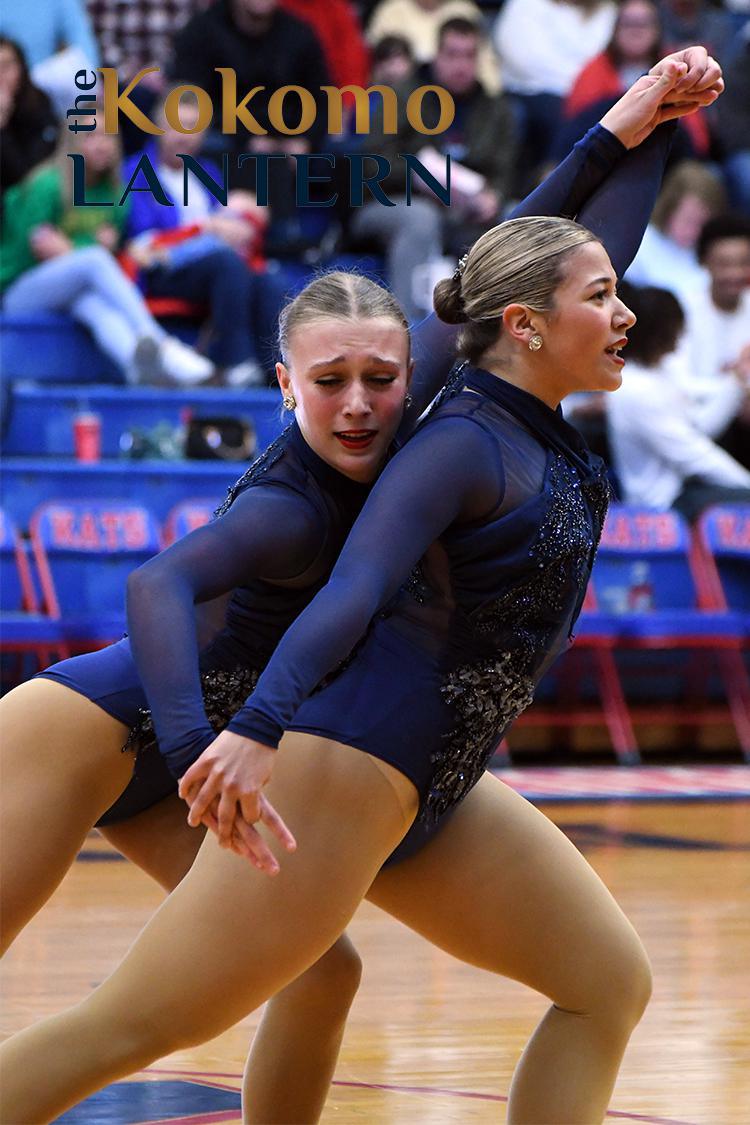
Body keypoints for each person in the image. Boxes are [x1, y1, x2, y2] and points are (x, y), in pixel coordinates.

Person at [0, 54, 724, 1125]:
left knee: (368, 975)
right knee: (139, 1022)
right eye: (329, 383)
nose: (360, 405)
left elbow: (526, 261)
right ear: (284, 383)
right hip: (111, 729)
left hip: (300, 740)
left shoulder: (437, 411)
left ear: (416, 364)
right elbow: (161, 585)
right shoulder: (304, 500)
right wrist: (222, 735)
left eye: (383, 379)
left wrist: (629, 127)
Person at [0, 126, 214, 387]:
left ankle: (139, 371)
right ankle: (161, 342)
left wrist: (68, 248)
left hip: (70, 291)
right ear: (73, 141)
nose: (101, 144)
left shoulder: (113, 191)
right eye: (91, 136)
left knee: (94, 306)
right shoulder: (47, 184)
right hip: (16, 291)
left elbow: (93, 250)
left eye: (108, 136)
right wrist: (83, 247)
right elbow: (28, 253)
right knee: (94, 259)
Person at [349, 16, 516, 321]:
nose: (460, 65)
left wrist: (495, 196)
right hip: (391, 201)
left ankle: (486, 337)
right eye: (452, 54)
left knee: (515, 223)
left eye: (468, 55)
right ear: (436, 55)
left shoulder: (495, 109)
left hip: (465, 208)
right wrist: (418, 177)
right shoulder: (402, 96)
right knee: (421, 219)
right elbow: (369, 165)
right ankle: (409, 333)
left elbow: (504, 172)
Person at [606, 282, 750, 518]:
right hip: (663, 503)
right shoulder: (635, 388)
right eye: (677, 328)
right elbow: (694, 455)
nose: (682, 335)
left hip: (687, 487)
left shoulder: (661, 370)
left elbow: (697, 409)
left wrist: (736, 378)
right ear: (659, 333)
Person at [0, 37, 58, 194]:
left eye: (6, 66)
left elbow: (26, 176)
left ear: (21, 68)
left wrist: (2, 126)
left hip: (26, 199)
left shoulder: (39, 104)